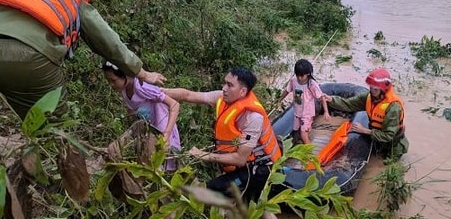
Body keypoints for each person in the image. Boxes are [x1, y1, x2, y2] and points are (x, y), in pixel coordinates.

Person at [0, 0, 166, 119]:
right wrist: (142, 73)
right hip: (30, 56)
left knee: (24, 109)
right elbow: (107, 41)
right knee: (50, 125)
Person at [162, 67, 281, 202]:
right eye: (225, 83)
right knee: (257, 207)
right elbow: (188, 95)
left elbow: (240, 159)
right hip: (241, 166)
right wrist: (159, 92)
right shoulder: (222, 98)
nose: (224, 88)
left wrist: (203, 155)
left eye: (230, 85)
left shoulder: (253, 118)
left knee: (214, 189)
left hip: (256, 170)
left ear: (242, 91)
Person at [102, 60, 180, 170]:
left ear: (125, 75)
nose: (111, 84)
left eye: (113, 80)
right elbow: (130, 110)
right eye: (108, 81)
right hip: (147, 132)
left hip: (161, 130)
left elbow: (175, 105)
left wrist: (166, 134)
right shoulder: (124, 90)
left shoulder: (142, 87)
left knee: (162, 167)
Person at [325, 68, 408, 160]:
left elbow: (388, 136)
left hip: (392, 144)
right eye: (371, 88)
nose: (372, 91)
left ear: (384, 90)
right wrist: (331, 100)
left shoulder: (393, 108)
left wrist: (364, 130)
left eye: (376, 89)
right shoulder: (368, 97)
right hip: (376, 138)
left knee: (387, 164)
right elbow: (349, 104)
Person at [278, 59, 330, 145]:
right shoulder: (293, 80)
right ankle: (300, 139)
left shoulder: (311, 84)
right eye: (298, 75)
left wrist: (326, 112)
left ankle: (309, 155)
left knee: (303, 136)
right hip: (297, 112)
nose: (299, 78)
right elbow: (287, 90)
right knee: (296, 130)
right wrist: (279, 101)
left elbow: (322, 97)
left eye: (302, 76)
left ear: (308, 74)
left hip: (307, 114)